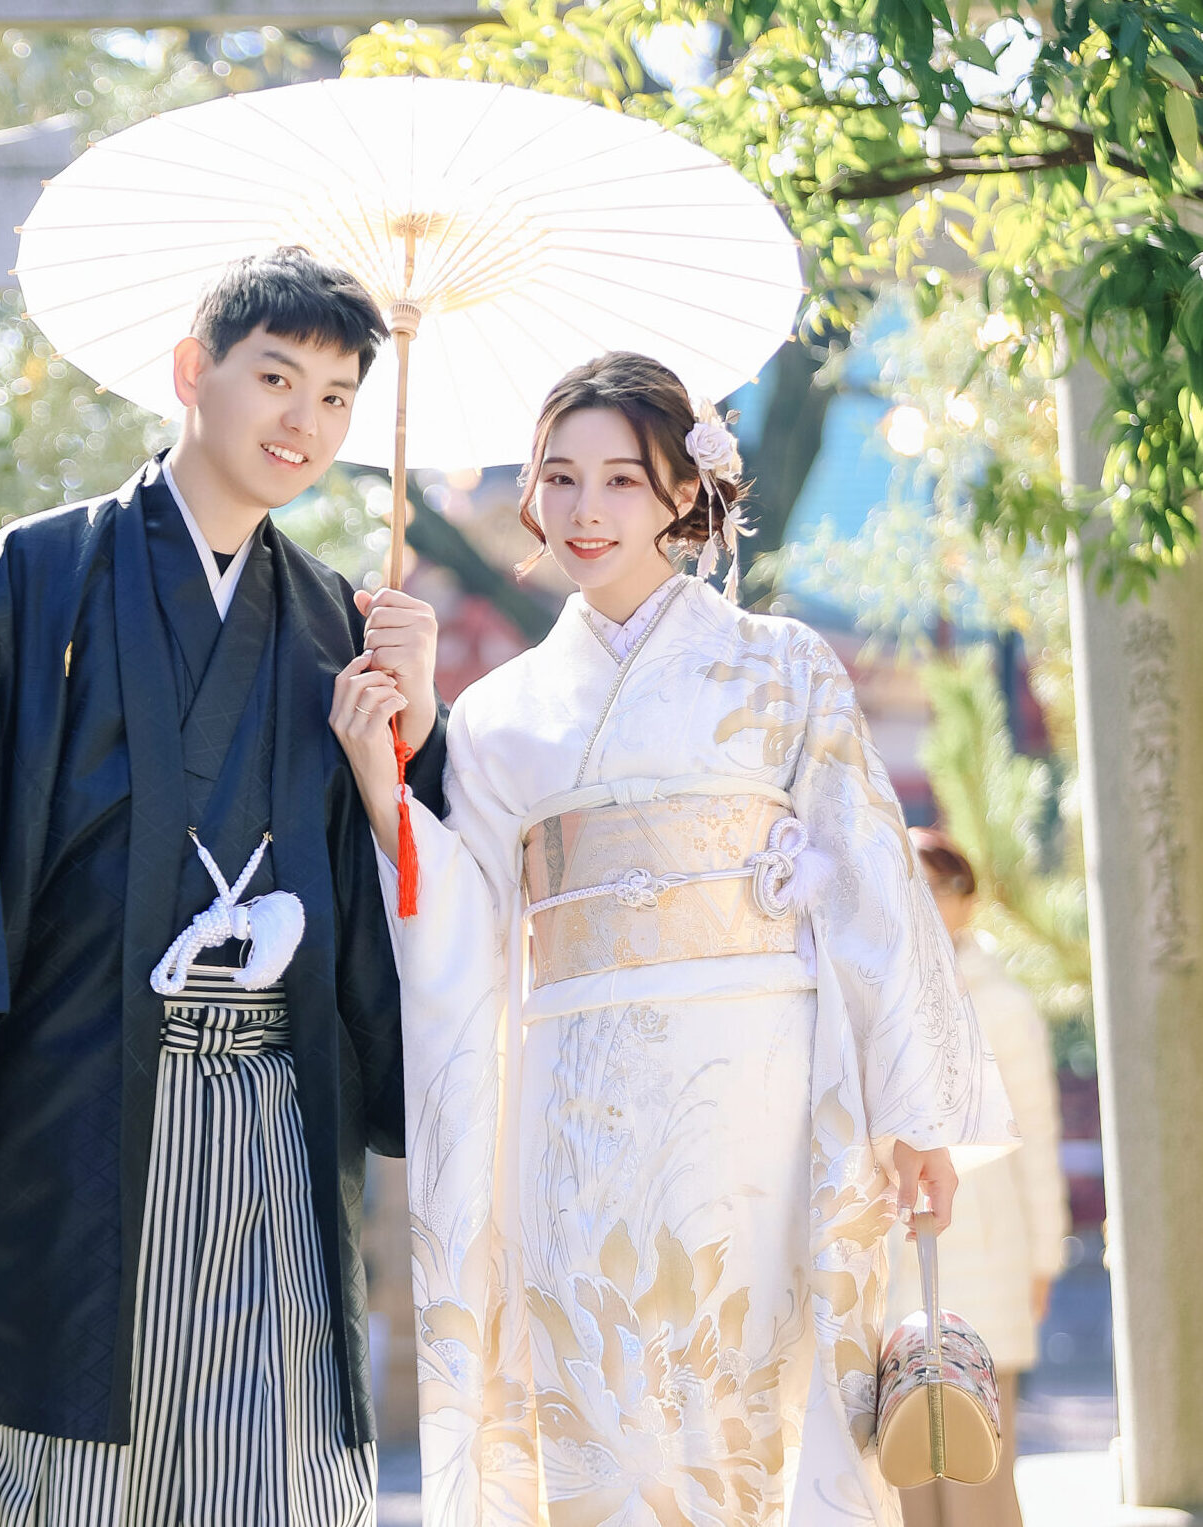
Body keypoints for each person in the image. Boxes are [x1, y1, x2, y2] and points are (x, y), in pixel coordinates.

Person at [0, 247, 445, 1527]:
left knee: (270, 1462)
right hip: (83, 1096)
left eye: (336, 397)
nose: (305, 421)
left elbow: (400, 887)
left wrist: (409, 733)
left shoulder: (338, 622)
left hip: (277, 1108)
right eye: (277, 378)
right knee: (79, 1461)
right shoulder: (42, 572)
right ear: (192, 371)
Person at [331, 351, 1017, 1525]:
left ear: (683, 494)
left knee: (753, 1404)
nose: (585, 509)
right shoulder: (496, 718)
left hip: (758, 1097)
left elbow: (871, 891)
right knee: (598, 1407)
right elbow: (464, 928)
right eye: (558, 478)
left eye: (621, 480)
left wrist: (915, 1114)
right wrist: (382, 772)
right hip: (573, 1116)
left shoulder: (784, 669)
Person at [887, 828, 1068, 1527]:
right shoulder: (876, 990)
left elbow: (1037, 1136)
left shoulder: (1004, 1003)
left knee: (977, 1460)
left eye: (938, 887)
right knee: (899, 1456)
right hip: (895, 1248)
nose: (925, 903)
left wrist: (1045, 1257)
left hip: (988, 1247)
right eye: (910, 887)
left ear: (967, 900)